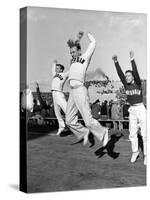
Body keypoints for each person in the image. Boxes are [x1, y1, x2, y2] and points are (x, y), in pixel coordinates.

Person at [66, 32, 108, 146]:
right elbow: (75, 45)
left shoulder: (85, 57)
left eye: (74, 52)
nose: (72, 54)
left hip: (80, 89)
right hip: (72, 92)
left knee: (88, 120)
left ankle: (103, 132)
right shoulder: (72, 61)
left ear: (79, 51)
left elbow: (93, 44)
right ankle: (83, 132)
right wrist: (77, 39)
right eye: (71, 53)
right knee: (68, 120)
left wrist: (89, 35)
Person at [112, 51, 146, 165]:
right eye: (126, 76)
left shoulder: (137, 83)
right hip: (132, 110)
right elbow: (120, 74)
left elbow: (135, 72)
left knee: (145, 134)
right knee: (132, 133)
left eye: (128, 75)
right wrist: (116, 62)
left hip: (141, 109)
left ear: (133, 77)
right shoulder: (126, 85)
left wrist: (132, 60)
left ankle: (147, 154)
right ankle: (135, 152)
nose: (126, 77)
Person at [51, 60, 69, 135]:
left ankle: (76, 125)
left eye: (58, 68)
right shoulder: (54, 74)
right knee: (57, 113)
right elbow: (53, 68)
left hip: (59, 93)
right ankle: (61, 127)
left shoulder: (64, 74)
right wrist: (54, 62)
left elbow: (71, 70)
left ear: (61, 69)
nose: (56, 69)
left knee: (67, 110)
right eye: (56, 68)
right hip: (53, 94)